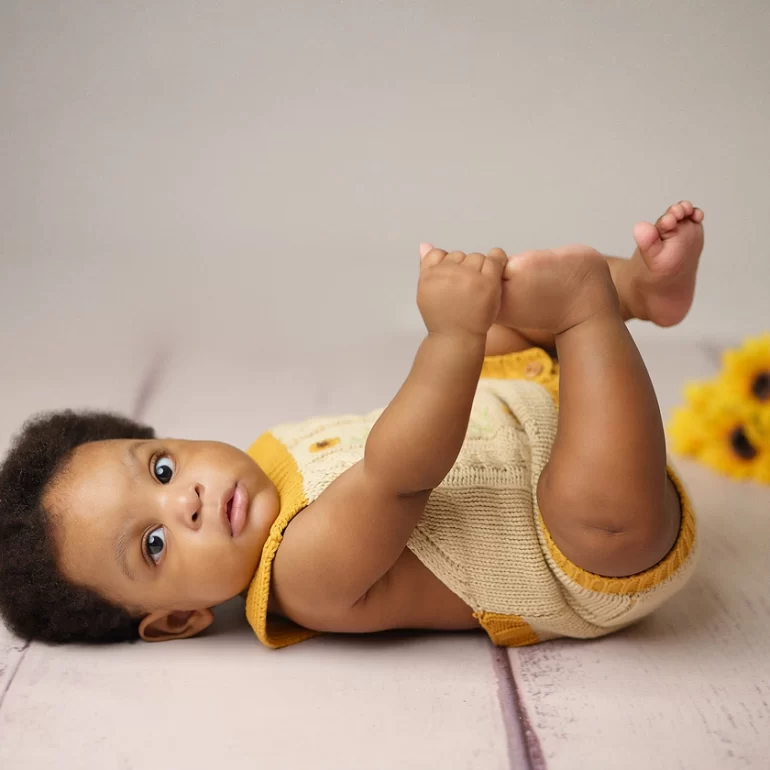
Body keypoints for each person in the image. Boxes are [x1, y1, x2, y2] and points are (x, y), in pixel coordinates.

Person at [0, 201, 704, 649]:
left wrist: (478, 332)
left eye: (160, 470)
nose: (181, 501)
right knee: (593, 511)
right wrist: (450, 338)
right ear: (178, 619)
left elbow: (405, 419)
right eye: (153, 544)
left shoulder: (272, 451)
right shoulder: (300, 580)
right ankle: (592, 310)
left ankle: (639, 288)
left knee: (504, 318)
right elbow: (399, 476)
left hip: (534, 419)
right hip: (578, 548)